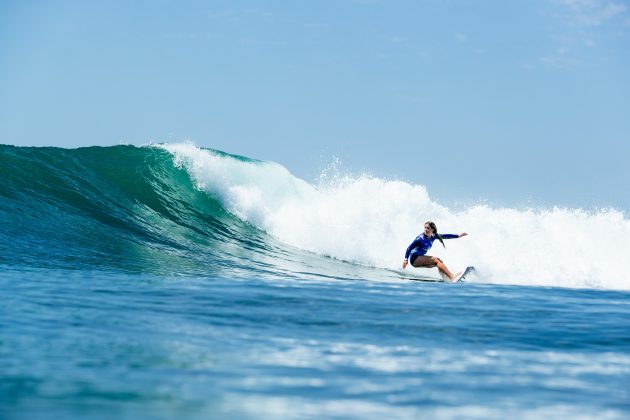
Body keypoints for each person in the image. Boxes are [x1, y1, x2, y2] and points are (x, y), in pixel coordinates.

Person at [402, 221, 468, 282]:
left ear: (432, 229)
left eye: (428, 228)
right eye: (425, 228)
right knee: (435, 260)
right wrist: (405, 260)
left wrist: (458, 236)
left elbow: (445, 236)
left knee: (439, 261)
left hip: (420, 257)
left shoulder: (433, 236)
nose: (425, 229)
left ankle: (446, 278)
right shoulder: (420, 239)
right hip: (414, 259)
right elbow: (409, 248)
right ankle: (451, 276)